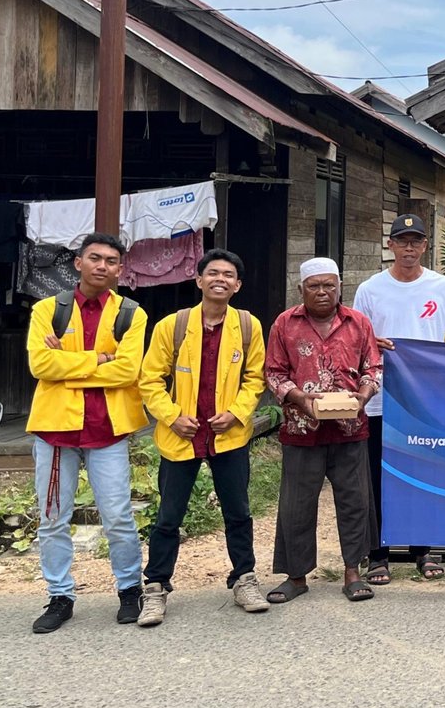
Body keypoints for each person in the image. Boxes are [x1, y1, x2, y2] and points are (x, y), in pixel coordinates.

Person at [136, 249, 270, 626]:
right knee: (168, 516)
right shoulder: (173, 326)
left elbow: (255, 378)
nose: (220, 280)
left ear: (238, 285)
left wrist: (239, 413)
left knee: (238, 512)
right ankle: (156, 586)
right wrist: (173, 416)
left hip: (228, 436)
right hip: (182, 436)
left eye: (229, 275)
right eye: (213, 273)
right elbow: (150, 380)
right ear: (198, 280)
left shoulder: (247, 326)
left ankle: (244, 579)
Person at [24, 233, 148, 634]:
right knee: (52, 519)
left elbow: (128, 371)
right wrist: (99, 359)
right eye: (94, 258)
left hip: (108, 428)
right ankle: (60, 596)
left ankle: (131, 589)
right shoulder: (48, 309)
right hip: (55, 429)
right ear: (78, 263)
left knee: (118, 516)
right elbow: (41, 365)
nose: (102, 266)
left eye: (111, 261)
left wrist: (69, 361)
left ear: (120, 269)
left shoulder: (132, 313)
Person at [349, 213, 445, 585]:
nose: (409, 248)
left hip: (425, 399)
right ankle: (377, 554)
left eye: (416, 241)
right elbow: (354, 342)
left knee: (423, 473)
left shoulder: (442, 286)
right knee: (376, 477)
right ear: (391, 245)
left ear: (425, 246)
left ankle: (424, 549)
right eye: (402, 241)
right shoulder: (370, 289)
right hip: (380, 399)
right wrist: (373, 345)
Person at [265, 258, 382, 604]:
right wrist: (299, 397)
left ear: (339, 286)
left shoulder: (358, 323)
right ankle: (296, 576)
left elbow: (373, 367)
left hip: (350, 428)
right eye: (314, 286)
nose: (322, 292)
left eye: (329, 285)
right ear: (301, 289)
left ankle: (352, 572)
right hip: (302, 430)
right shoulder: (285, 324)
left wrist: (363, 395)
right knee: (296, 505)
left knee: (355, 501)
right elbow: (273, 372)